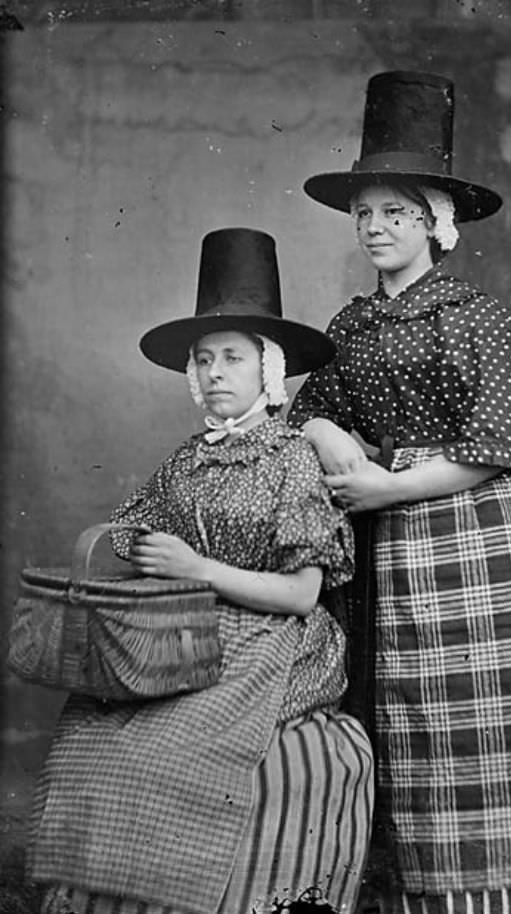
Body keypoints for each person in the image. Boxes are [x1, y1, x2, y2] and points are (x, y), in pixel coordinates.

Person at [288, 72, 511, 914]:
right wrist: (332, 440)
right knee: (409, 729)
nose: (377, 227)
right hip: (393, 556)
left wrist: (380, 488)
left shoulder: (477, 315)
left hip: (476, 543)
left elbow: (494, 448)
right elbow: (310, 408)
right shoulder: (350, 325)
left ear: (435, 223)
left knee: (488, 733)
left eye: (396, 211)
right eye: (365, 214)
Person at [27, 228, 374, 914]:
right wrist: (131, 551)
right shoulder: (186, 461)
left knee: (170, 746)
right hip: (188, 628)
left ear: (267, 372)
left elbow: (304, 595)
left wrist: (195, 567)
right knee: (90, 733)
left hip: (275, 640)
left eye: (233, 359)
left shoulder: (290, 460)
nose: (216, 373)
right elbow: (129, 533)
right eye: (205, 359)